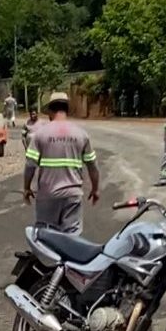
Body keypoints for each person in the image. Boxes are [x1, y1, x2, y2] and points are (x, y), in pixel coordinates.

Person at [23, 92, 100, 235]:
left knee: (46, 238)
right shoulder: (81, 134)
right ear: (67, 110)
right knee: (71, 239)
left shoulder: (40, 134)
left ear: (50, 111)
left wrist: (26, 188)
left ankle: (48, 257)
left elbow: (30, 165)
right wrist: (95, 189)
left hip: (47, 195)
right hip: (72, 195)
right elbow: (92, 165)